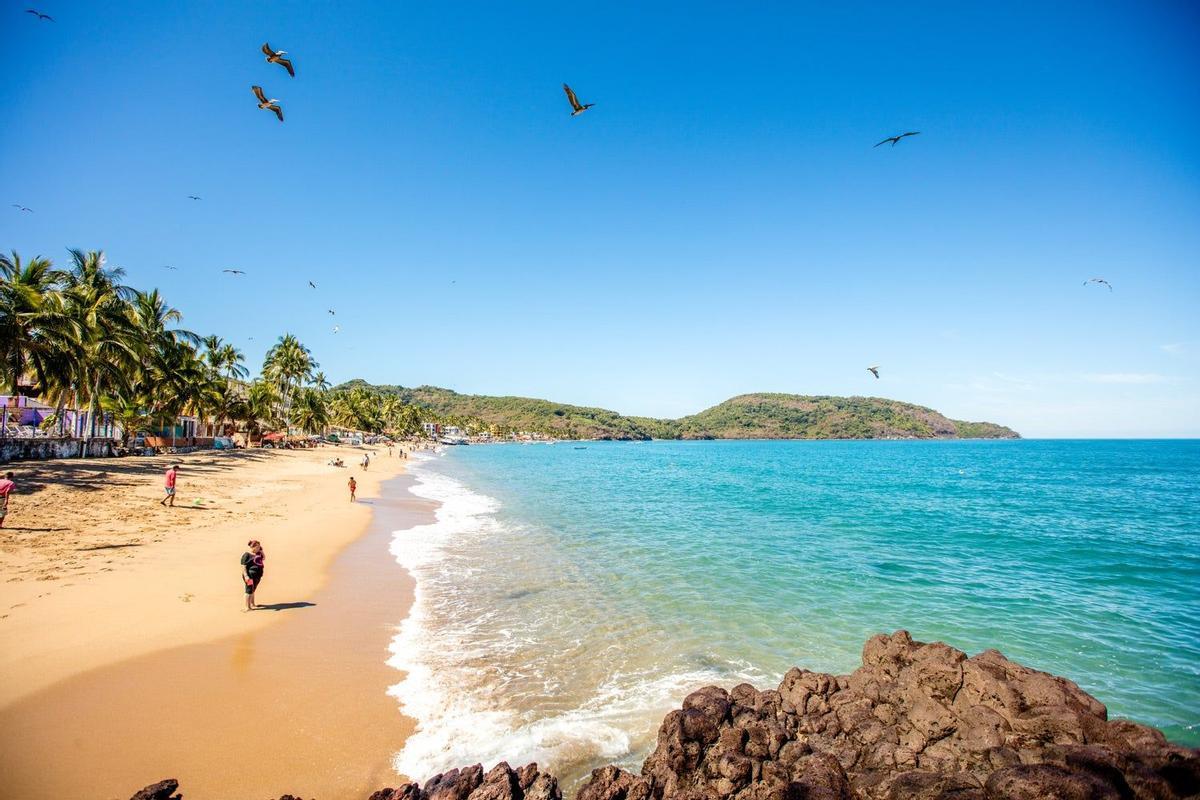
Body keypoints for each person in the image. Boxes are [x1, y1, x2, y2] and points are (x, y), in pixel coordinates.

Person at [240, 540, 265, 611]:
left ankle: (252, 604)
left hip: (257, 575)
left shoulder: (258, 554)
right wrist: (246, 576)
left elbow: (264, 558)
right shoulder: (247, 555)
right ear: (252, 547)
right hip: (249, 576)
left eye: (259, 547)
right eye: (257, 547)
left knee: (253, 589)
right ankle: (247, 607)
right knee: (249, 590)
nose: (258, 548)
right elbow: (243, 567)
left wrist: (261, 550)